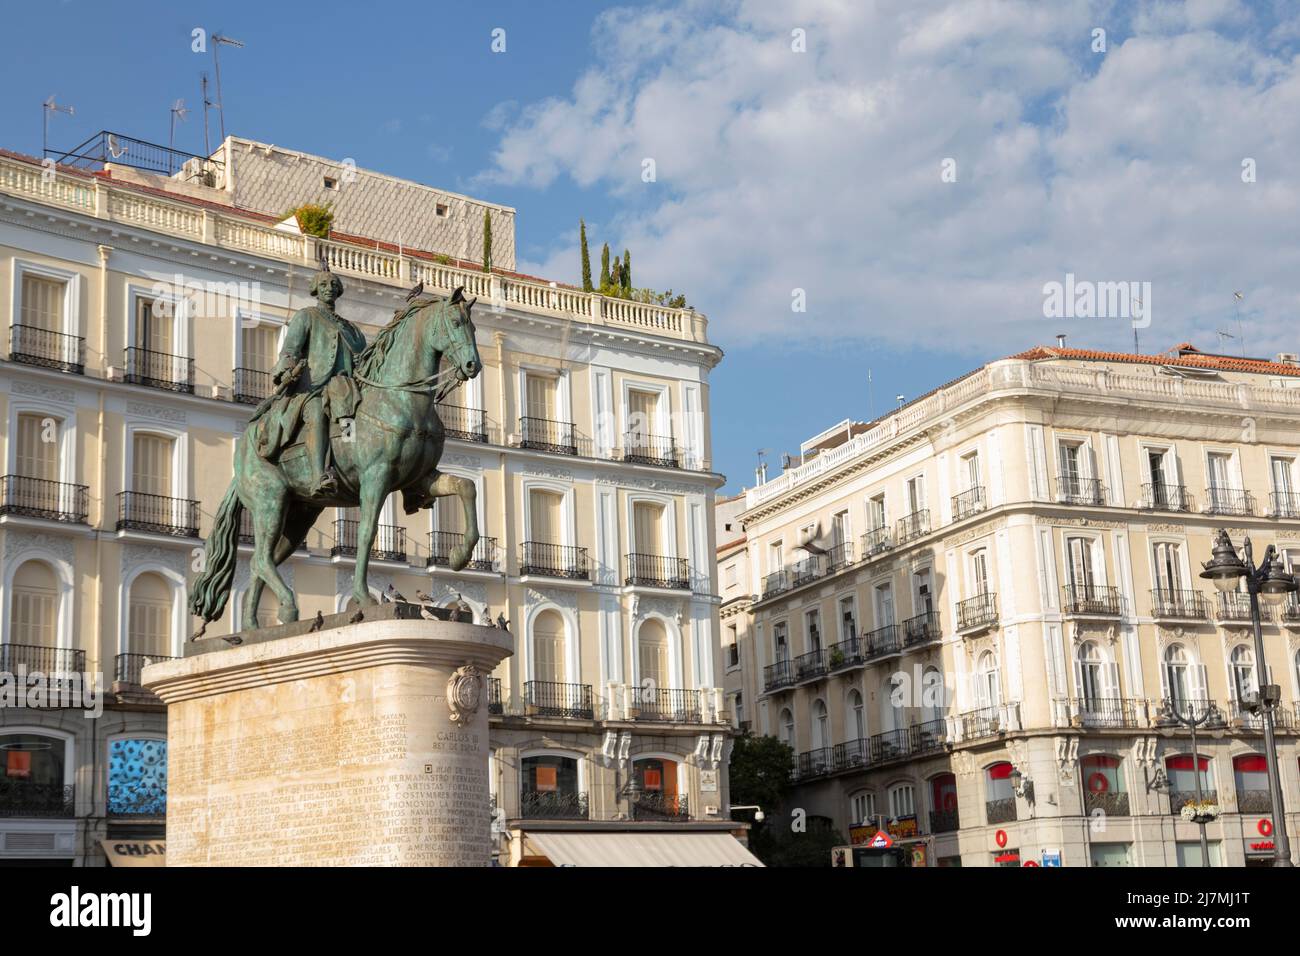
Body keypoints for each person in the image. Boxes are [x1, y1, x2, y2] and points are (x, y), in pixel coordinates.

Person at [255, 260, 367, 494]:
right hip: (312, 389)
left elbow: (362, 360)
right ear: (315, 289)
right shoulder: (307, 316)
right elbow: (290, 350)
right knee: (316, 413)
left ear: (339, 291)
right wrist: (286, 369)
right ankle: (318, 476)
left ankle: (354, 464)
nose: (329, 288)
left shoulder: (352, 329)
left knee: (360, 420)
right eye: (324, 284)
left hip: (345, 389)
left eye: (334, 284)